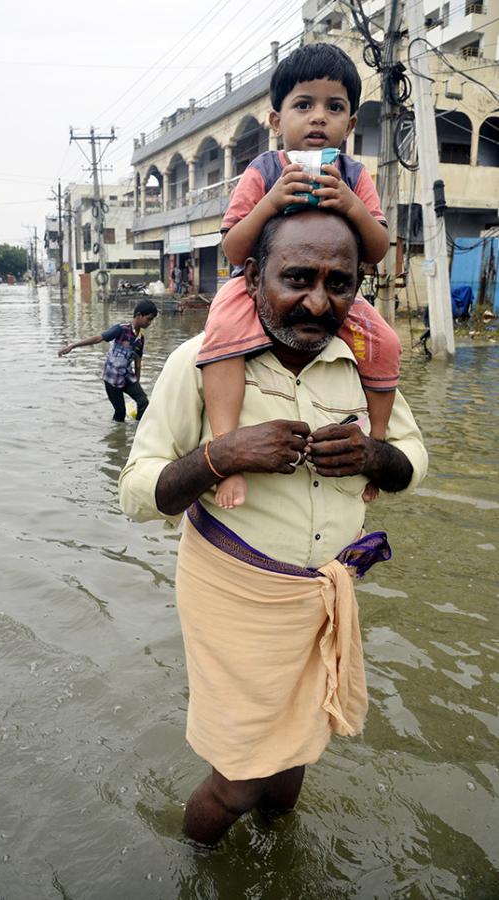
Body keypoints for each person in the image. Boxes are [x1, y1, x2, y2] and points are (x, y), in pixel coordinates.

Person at [119, 209, 427, 847]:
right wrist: (221, 456)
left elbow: (412, 461)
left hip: (321, 599)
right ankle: (197, 867)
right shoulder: (199, 361)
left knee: (291, 770)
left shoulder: (363, 362)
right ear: (255, 277)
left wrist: (374, 456)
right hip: (233, 598)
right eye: (297, 278)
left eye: (339, 283)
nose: (318, 301)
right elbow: (136, 493)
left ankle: (278, 861)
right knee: (235, 783)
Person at [200, 42, 401, 510]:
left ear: (350, 125)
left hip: (333, 298)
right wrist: (271, 200)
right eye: (303, 105)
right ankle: (226, 448)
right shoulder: (263, 169)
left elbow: (376, 251)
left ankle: (378, 442)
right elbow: (232, 247)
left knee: (386, 344)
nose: (318, 118)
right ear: (276, 121)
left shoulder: (354, 175)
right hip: (255, 292)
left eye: (334, 108)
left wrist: (351, 204)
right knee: (221, 336)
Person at [58, 299, 158, 422]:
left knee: (143, 401)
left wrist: (137, 384)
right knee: (120, 413)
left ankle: (138, 430)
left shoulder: (140, 338)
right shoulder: (121, 329)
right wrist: (72, 346)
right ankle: (117, 435)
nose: (150, 322)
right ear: (139, 315)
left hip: (128, 377)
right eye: (149, 319)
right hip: (112, 379)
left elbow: (138, 363)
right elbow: (98, 338)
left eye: (151, 319)